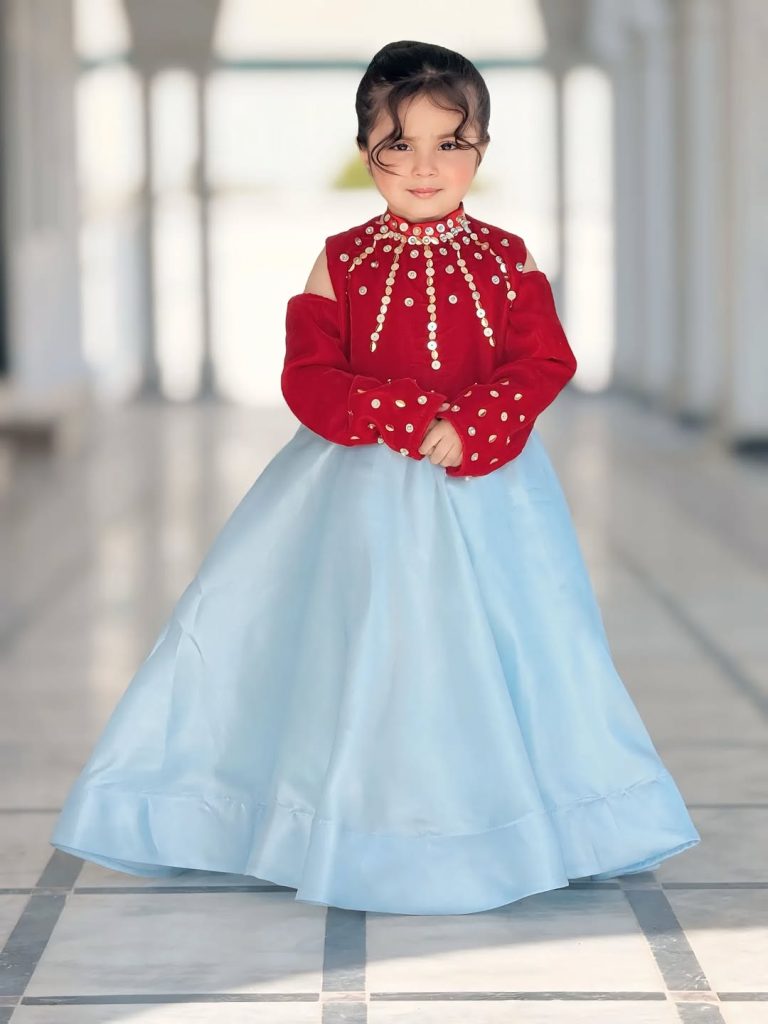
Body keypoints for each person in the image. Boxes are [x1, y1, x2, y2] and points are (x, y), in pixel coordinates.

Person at [50, 40, 700, 916]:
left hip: (489, 493)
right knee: (352, 647)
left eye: (450, 144)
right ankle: (330, 819)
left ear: (482, 149)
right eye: (400, 145)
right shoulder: (341, 258)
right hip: (354, 495)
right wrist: (402, 414)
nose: (426, 167)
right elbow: (308, 378)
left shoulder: (507, 257)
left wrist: (472, 424)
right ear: (366, 151)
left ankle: (533, 822)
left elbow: (545, 360)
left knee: (523, 648)